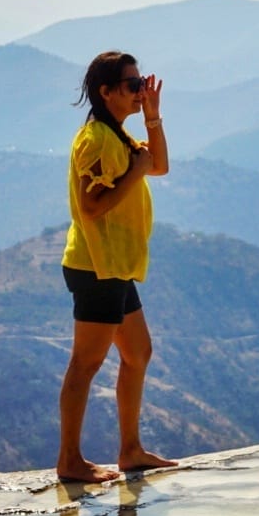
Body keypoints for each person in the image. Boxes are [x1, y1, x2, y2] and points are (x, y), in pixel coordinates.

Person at [56, 51, 179, 483]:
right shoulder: (95, 140)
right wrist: (135, 172)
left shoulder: (118, 135)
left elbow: (158, 165)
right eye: (132, 85)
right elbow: (91, 206)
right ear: (106, 92)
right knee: (86, 364)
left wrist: (152, 118)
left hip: (116, 265)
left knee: (138, 352)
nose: (139, 91)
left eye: (141, 83)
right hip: (97, 267)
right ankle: (70, 460)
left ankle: (130, 450)